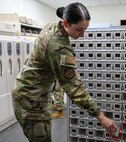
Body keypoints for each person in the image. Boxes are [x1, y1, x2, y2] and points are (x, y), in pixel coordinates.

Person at [12, 2, 117, 142]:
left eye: (85, 29)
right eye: (79, 30)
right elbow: (72, 87)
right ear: (66, 23)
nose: (82, 35)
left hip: (33, 92)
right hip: (30, 98)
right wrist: (101, 117)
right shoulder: (57, 46)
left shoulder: (54, 25)